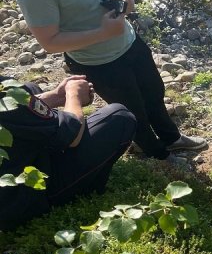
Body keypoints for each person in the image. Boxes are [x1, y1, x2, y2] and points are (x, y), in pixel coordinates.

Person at [13, 0, 206, 161]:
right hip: (97, 61)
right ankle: (159, 156)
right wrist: (104, 32)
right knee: (133, 111)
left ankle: (172, 138)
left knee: (154, 92)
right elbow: (50, 42)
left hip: (126, 39)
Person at [0, 75, 136, 231]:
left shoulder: (6, 91)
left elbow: (14, 107)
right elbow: (73, 136)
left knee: (30, 89)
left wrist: (57, 96)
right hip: (20, 201)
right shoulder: (5, 90)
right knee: (119, 116)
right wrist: (74, 95)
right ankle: (85, 189)